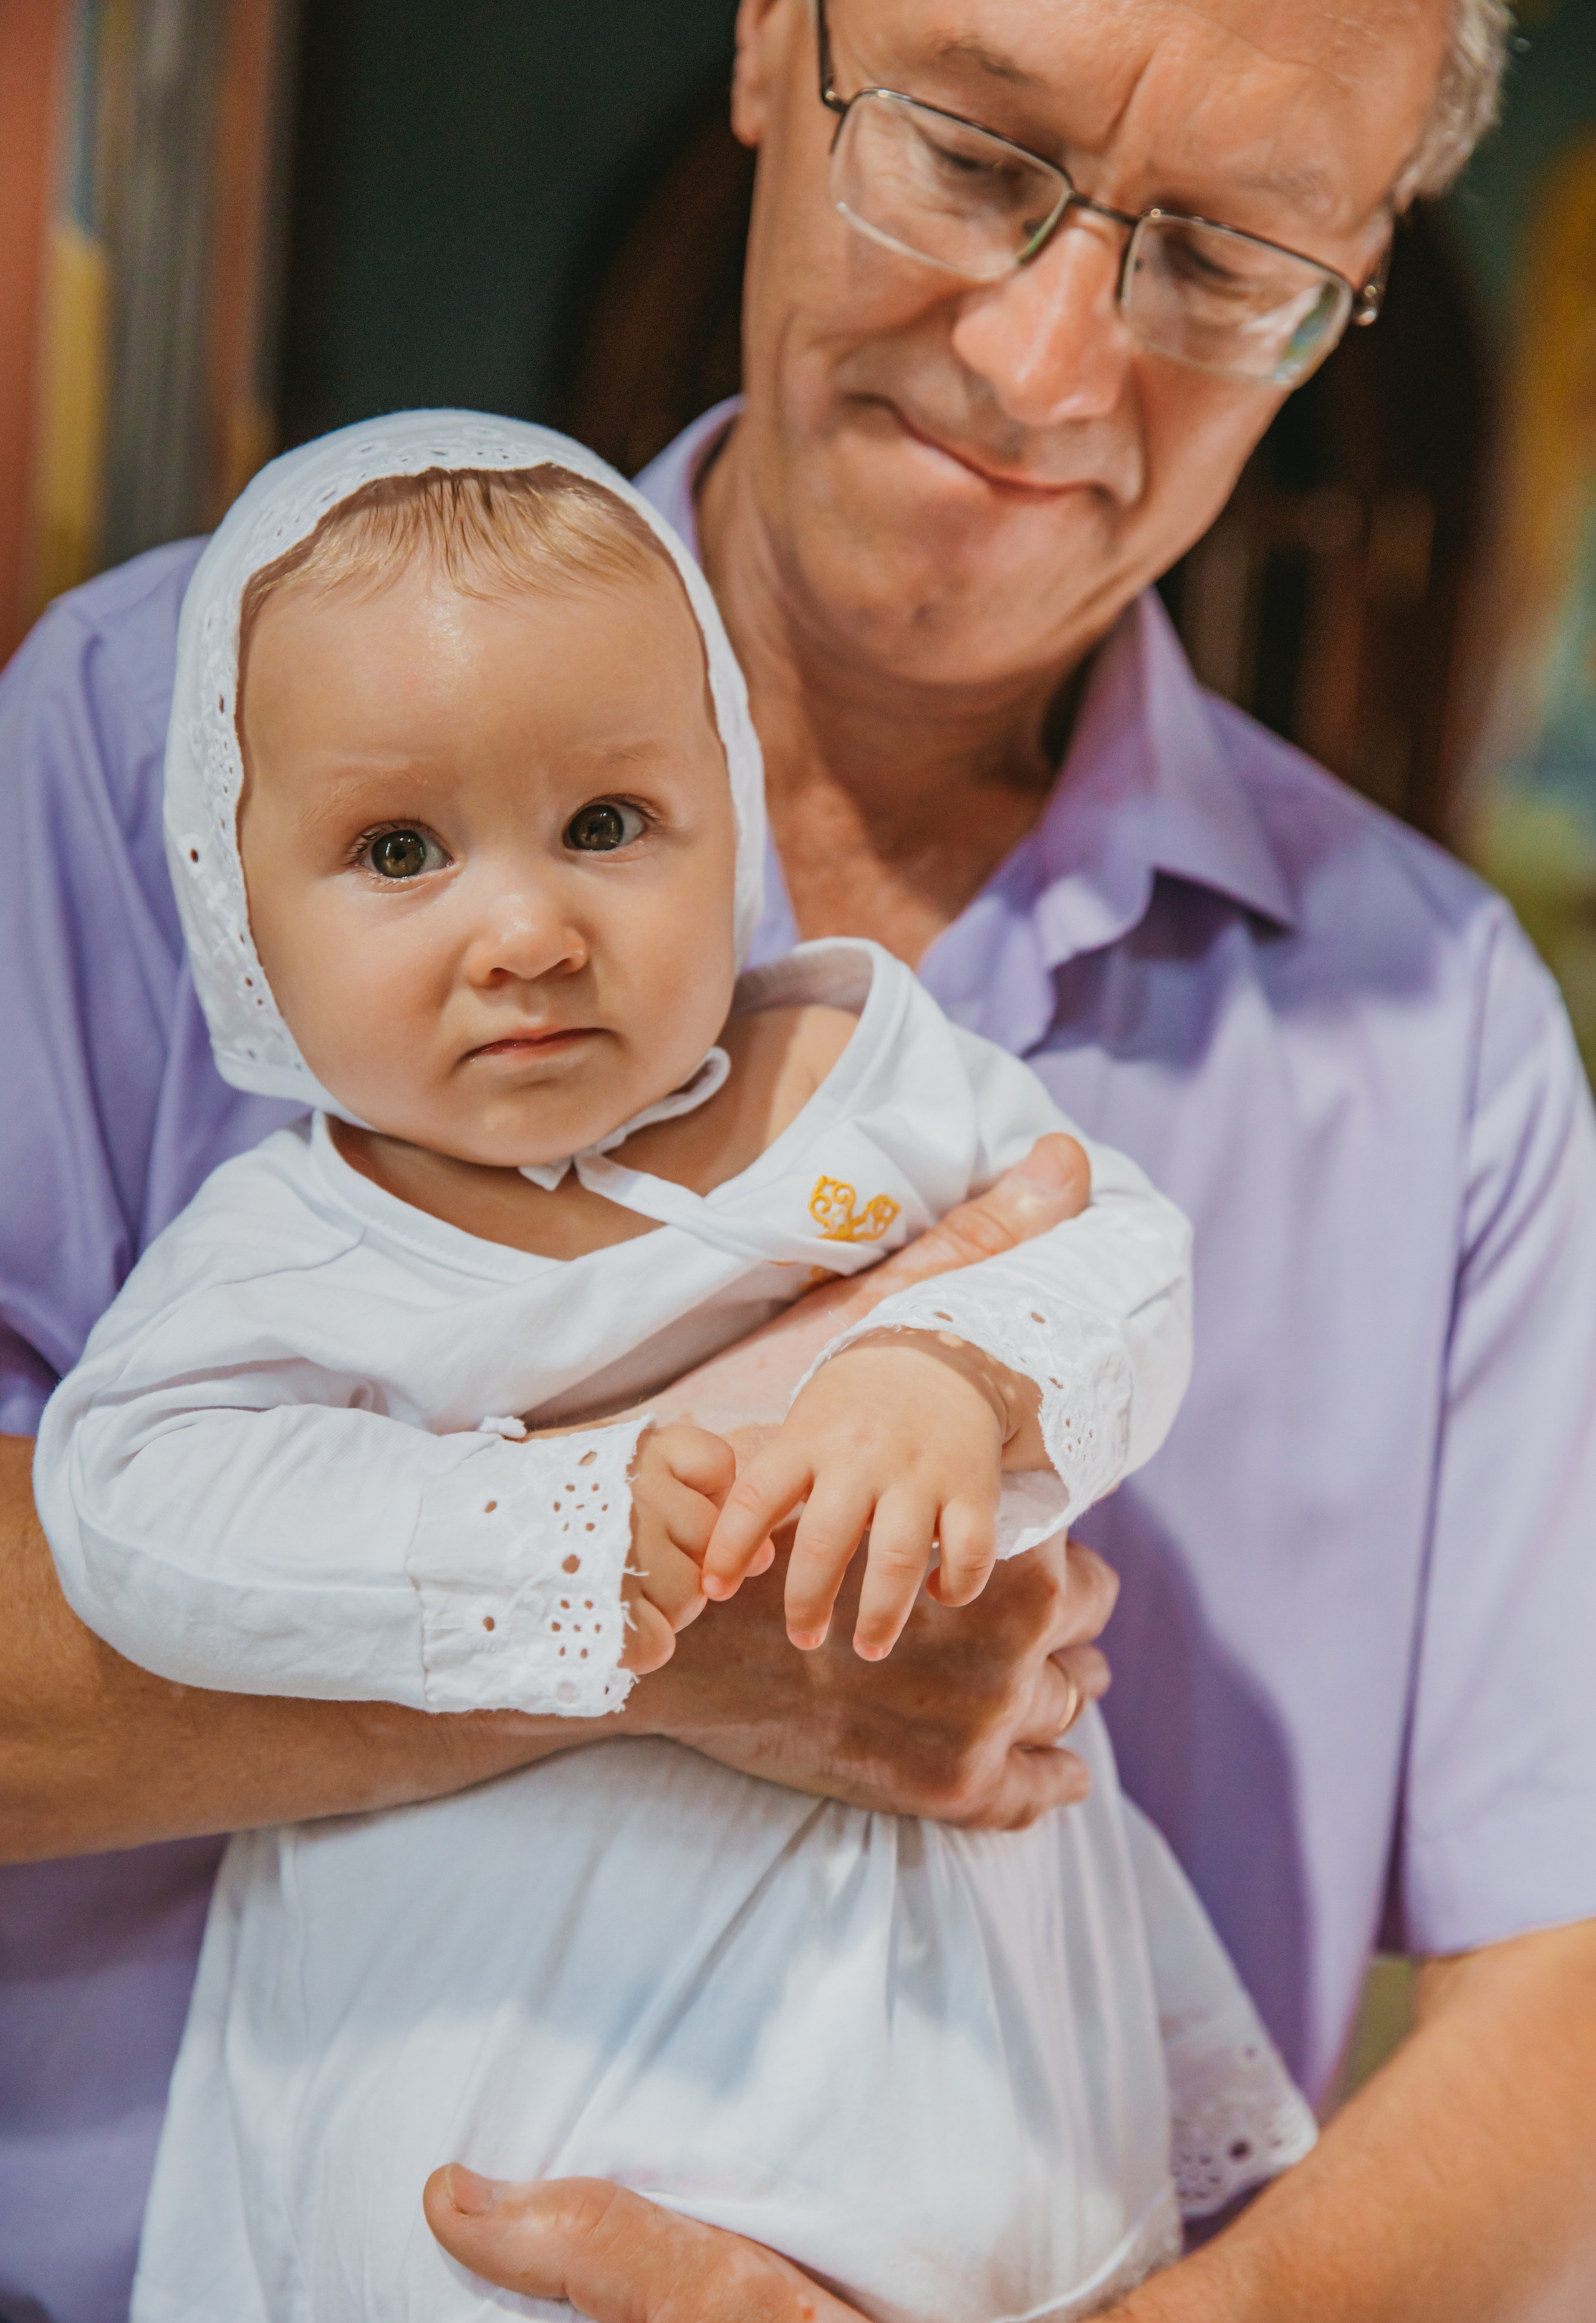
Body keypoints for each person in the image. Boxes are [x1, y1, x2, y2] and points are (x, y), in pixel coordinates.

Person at [1, 0, 1594, 2316]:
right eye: (972, 154)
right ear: (772, 19)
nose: (1045, 362)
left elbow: (1562, 2019)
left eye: (1229, 252)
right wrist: (692, 1634)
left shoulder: (1441, 1044)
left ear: (1356, 276)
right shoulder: (151, 754)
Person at [37, 413, 1309, 2321]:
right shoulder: (289, 1259)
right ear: (240, 916)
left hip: (961, 2094)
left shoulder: (850, 1077)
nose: (530, 929)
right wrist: (555, 1532)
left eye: (608, 826)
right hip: (493, 2099)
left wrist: (949, 1372)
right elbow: (133, 1514)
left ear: (725, 818)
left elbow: (1119, 1246)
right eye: (399, 850)